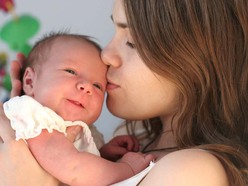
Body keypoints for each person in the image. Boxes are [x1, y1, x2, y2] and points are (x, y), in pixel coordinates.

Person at [0, 0, 248, 185]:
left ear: (197, 60)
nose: (106, 55)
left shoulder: (192, 172)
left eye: (131, 42)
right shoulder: (134, 138)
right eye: (114, 32)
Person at [1, 32, 153, 186]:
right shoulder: (34, 116)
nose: (87, 87)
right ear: (29, 81)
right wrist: (126, 169)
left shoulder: (77, 129)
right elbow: (73, 168)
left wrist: (102, 153)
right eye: (71, 71)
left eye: (97, 86)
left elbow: (73, 163)